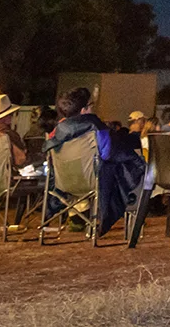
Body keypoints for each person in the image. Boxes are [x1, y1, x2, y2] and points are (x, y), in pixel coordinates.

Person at [46, 86, 143, 233]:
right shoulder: (95, 128)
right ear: (84, 110)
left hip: (64, 183)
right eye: (91, 105)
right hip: (92, 181)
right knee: (132, 167)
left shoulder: (56, 133)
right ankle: (133, 217)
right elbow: (109, 153)